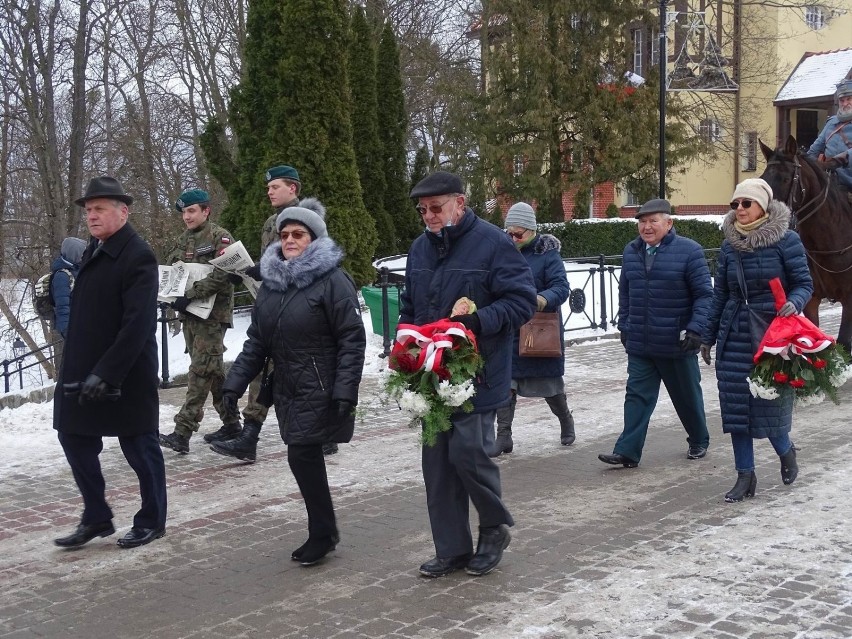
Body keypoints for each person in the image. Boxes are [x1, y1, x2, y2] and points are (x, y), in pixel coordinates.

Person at [401, 171, 537, 578]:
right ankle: (452, 549)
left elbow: (522, 302)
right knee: (437, 465)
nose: (429, 216)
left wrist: (474, 324)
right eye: (423, 210)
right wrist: (407, 345)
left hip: (479, 373)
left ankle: (494, 528)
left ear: (460, 203)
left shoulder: (493, 244)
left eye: (436, 208)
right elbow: (410, 305)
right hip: (432, 374)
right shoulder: (419, 250)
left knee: (467, 454)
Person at [220, 198, 365, 566]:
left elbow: (352, 338)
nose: (289, 240)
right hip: (287, 385)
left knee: (302, 454)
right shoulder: (272, 284)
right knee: (303, 457)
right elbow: (257, 340)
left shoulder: (334, 281)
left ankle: (322, 533)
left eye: (298, 234)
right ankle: (324, 530)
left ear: (314, 239)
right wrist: (233, 383)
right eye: (284, 234)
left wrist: (346, 390)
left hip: (321, 383)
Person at [53, 176, 167, 550]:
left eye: (99, 209)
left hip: (125, 373)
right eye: (88, 210)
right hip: (83, 370)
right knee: (73, 436)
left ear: (123, 211)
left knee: (139, 446)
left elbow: (138, 324)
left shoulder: (138, 254)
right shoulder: (94, 250)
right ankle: (97, 515)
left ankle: (152, 520)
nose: (92, 216)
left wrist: (108, 372)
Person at [212, 165, 337, 459]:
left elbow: (302, 261)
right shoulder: (272, 220)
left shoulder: (301, 219)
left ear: (293, 188)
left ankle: (259, 434)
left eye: (275, 187)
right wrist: (244, 272)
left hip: (299, 305)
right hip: (274, 303)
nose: (269, 192)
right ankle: (250, 435)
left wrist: (261, 271)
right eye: (268, 188)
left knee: (302, 371)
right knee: (268, 368)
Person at [699, 178, 813, 502]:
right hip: (735, 333)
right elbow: (720, 293)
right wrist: (708, 337)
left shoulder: (786, 240)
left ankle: (786, 451)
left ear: (763, 205)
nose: (739, 210)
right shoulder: (728, 245)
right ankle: (745, 477)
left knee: (770, 407)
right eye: (735, 204)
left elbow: (804, 283)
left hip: (772, 333)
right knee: (737, 411)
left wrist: (796, 301)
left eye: (745, 204)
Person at [599, 198, 713, 469]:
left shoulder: (689, 251)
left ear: (669, 223)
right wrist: (624, 324)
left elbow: (704, 295)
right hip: (641, 342)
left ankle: (698, 439)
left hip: (677, 342)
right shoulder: (631, 251)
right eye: (642, 221)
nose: (646, 227)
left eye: (653, 221)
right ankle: (627, 451)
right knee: (636, 396)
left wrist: (696, 329)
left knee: (686, 397)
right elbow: (625, 292)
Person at [158, 189, 241, 455]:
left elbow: (224, 272)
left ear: (206, 211)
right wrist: (169, 295)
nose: (186, 216)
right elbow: (173, 271)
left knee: (200, 370)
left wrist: (191, 294)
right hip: (190, 315)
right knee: (213, 371)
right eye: (184, 212)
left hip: (212, 316)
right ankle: (232, 424)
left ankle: (182, 432)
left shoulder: (220, 236)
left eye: (192, 210)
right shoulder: (182, 240)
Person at [490, 202, 573, 457]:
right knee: (507, 383)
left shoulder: (548, 254)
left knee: (550, 385)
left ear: (531, 230)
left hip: (538, 331)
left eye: (518, 234)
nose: (513, 238)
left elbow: (561, 287)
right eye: (509, 233)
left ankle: (565, 419)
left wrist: (539, 299)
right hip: (510, 328)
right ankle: (503, 436)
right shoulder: (502, 251)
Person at [807, 78, 852, 200]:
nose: (845, 103)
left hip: (848, 182)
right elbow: (814, 150)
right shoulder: (832, 122)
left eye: (849, 99)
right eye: (842, 100)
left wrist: (838, 160)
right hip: (828, 180)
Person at [49, 237, 87, 371]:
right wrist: (68, 331)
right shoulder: (62, 276)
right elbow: (62, 307)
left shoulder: (76, 270)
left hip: (80, 325)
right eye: (82, 253)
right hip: (72, 328)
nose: (84, 256)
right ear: (74, 253)